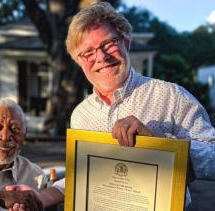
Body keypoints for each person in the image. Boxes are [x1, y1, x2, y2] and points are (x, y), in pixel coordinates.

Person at [17, 2, 215, 210]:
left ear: (126, 42)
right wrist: (41, 198)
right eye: (88, 53)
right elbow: (83, 175)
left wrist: (160, 146)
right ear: (79, 62)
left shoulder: (171, 96)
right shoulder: (81, 115)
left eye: (108, 43)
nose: (101, 58)